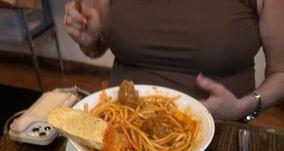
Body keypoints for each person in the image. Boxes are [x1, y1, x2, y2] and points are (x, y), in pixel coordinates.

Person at [64, 0, 284, 121]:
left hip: (219, 133)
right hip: (120, 128)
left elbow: (280, 72)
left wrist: (243, 107)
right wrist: (90, 40)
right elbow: (96, 48)